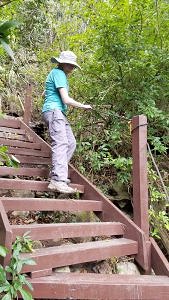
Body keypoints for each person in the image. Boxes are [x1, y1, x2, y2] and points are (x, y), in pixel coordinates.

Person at [42, 50, 92, 193]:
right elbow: (66, 99)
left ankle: (56, 176)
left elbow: (45, 92)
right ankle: (58, 180)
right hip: (54, 111)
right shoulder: (59, 74)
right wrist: (83, 106)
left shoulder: (55, 74)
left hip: (57, 113)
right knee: (61, 143)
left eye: (73, 66)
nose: (72, 68)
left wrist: (47, 93)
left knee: (71, 143)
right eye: (69, 65)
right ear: (61, 63)